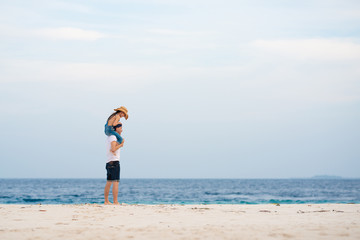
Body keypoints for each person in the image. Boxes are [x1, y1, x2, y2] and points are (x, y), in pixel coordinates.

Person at [104, 123, 124, 205]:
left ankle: (106, 201)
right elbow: (113, 149)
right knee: (116, 182)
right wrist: (121, 145)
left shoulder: (111, 137)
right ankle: (115, 201)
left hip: (109, 162)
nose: (122, 130)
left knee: (109, 182)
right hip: (114, 162)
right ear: (116, 129)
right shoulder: (113, 137)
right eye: (121, 128)